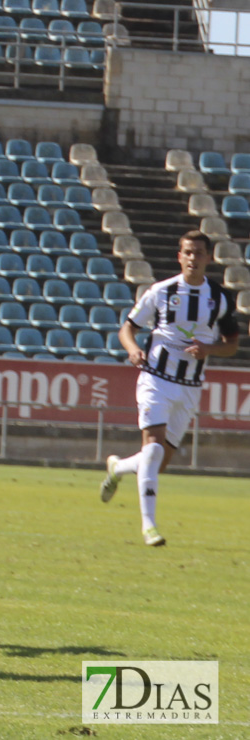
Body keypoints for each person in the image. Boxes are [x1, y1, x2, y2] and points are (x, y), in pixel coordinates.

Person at [99, 230, 239, 546]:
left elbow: (232, 345)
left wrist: (209, 349)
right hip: (155, 379)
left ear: (207, 257)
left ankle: (118, 467)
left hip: (189, 386)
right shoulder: (161, 292)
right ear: (180, 256)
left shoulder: (219, 298)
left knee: (157, 462)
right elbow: (127, 328)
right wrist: (133, 349)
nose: (192, 258)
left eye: (198, 253)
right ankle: (149, 526)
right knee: (153, 448)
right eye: (187, 252)